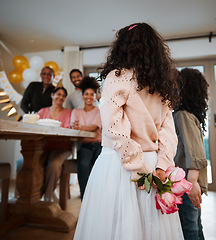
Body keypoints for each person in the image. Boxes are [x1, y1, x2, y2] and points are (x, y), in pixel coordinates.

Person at [74, 23, 184, 240]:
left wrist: (140, 168)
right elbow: (169, 133)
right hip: (152, 165)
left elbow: (114, 129)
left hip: (119, 166)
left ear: (123, 47)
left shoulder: (118, 76)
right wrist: (161, 166)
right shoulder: (162, 83)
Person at [173, 68, 208, 240]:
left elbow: (194, 152)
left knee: (189, 229)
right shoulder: (188, 115)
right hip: (189, 183)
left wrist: (192, 182)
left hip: (186, 184)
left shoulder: (182, 115)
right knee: (195, 227)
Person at [38, 87, 72, 201]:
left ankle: (47, 196)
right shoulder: (42, 111)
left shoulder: (68, 113)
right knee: (33, 163)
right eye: (58, 94)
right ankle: (34, 195)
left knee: (54, 164)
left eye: (63, 96)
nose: (61, 97)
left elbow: (68, 131)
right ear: (52, 95)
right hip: (42, 147)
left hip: (61, 148)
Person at [70, 76, 102, 199]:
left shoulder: (99, 111)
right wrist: (82, 128)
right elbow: (74, 128)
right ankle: (85, 196)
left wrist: (81, 127)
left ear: (95, 97)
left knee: (101, 166)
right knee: (83, 164)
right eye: (86, 94)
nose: (89, 97)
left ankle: (98, 196)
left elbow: (94, 127)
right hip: (85, 146)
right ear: (82, 95)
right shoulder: (76, 112)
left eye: (92, 94)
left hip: (99, 145)